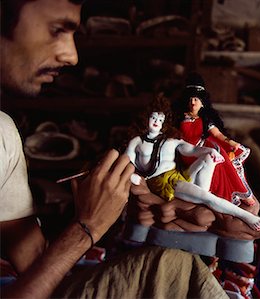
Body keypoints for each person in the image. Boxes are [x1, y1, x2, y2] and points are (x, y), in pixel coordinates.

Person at [0, 1, 228, 298]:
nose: (71, 55)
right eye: (56, 30)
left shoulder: (4, 131)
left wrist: (117, 216)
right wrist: (86, 228)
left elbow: (32, 261)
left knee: (172, 266)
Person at [125, 94, 260, 231]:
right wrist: (134, 176)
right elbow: (126, 162)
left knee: (209, 157)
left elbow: (192, 150)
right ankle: (244, 216)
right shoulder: (137, 142)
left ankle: (203, 200)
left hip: (181, 177)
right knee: (207, 198)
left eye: (160, 119)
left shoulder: (170, 140)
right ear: (146, 118)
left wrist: (209, 152)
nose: (156, 121)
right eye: (153, 118)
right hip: (164, 185)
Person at [174, 72, 256, 206]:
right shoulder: (179, 118)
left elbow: (218, 135)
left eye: (196, 99)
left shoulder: (205, 119)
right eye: (190, 99)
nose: (192, 102)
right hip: (188, 152)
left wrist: (231, 142)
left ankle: (239, 191)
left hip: (203, 147)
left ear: (203, 103)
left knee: (219, 154)